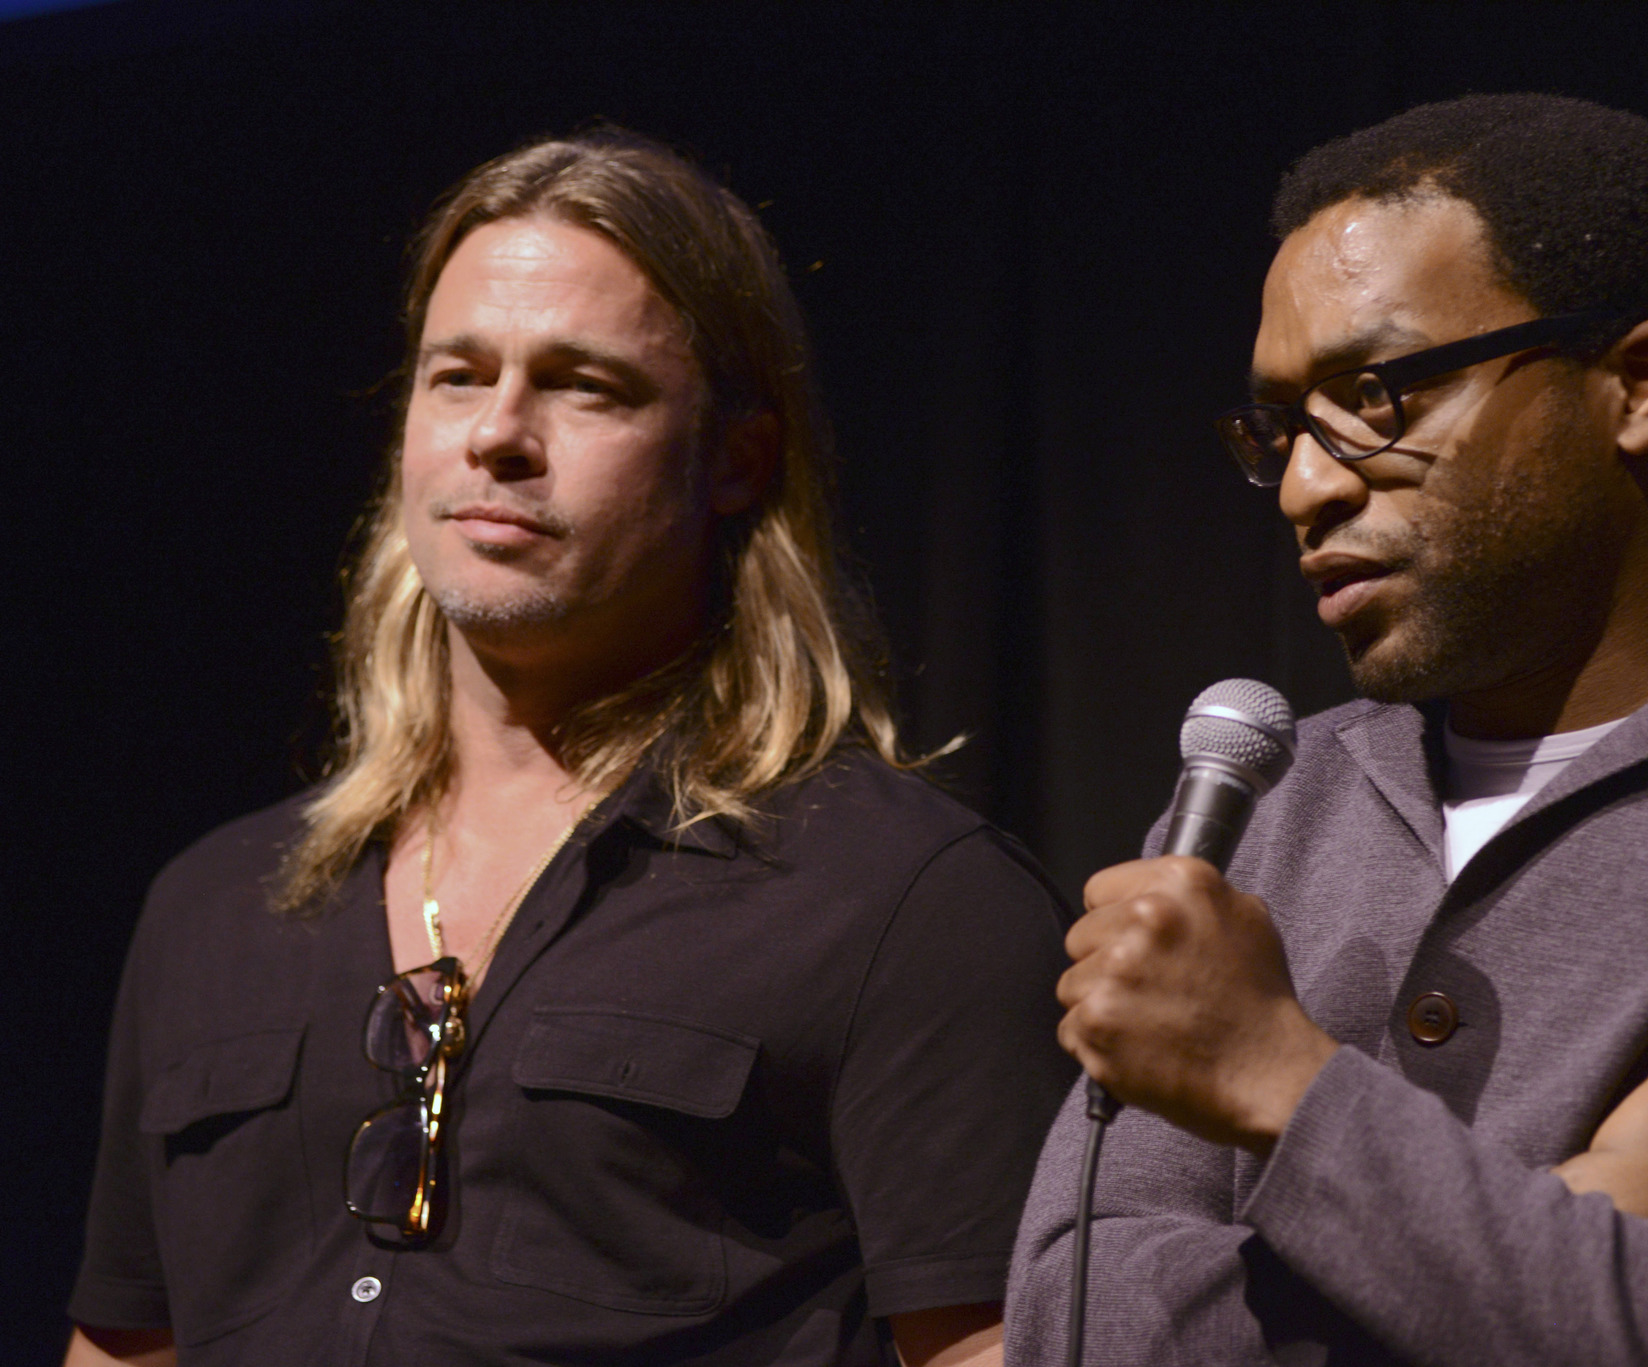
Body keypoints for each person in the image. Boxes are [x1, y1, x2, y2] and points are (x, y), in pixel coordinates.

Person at [1007, 94, 1648, 1364]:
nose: (1303, 482)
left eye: (1375, 393)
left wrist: (1285, 1089)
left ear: (1637, 384)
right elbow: (1076, 1325)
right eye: (1280, 424)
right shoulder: (1272, 803)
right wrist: (1584, 1218)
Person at [66, 129, 1073, 1367]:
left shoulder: (902, 902)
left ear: (737, 458)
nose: (498, 434)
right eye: (456, 375)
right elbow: (125, 1345)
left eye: (584, 385)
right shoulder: (212, 905)